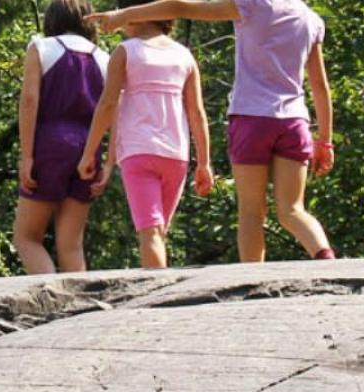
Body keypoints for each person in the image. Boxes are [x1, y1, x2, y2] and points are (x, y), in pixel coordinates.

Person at [88, 0, 338, 262]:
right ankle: (325, 258)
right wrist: (326, 141)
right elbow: (320, 86)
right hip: (294, 121)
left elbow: (181, 7)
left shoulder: (252, 4)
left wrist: (124, 15)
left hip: (252, 118)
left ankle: (253, 284)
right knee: (292, 209)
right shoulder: (311, 20)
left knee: (252, 212)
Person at [75, 0, 213, 269]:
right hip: (176, 154)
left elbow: (107, 104)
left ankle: (159, 304)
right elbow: (197, 112)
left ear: (135, 15)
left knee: (150, 232)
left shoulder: (125, 52)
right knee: (158, 232)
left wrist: (89, 152)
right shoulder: (185, 55)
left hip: (139, 152)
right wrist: (204, 162)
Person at [14, 0, 110, 275]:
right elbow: (112, 110)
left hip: (49, 143)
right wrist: (107, 161)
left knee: (27, 238)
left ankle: (52, 298)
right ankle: (80, 309)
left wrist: (28, 155)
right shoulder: (104, 57)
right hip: (88, 147)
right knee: (71, 244)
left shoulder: (41, 48)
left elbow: (30, 101)